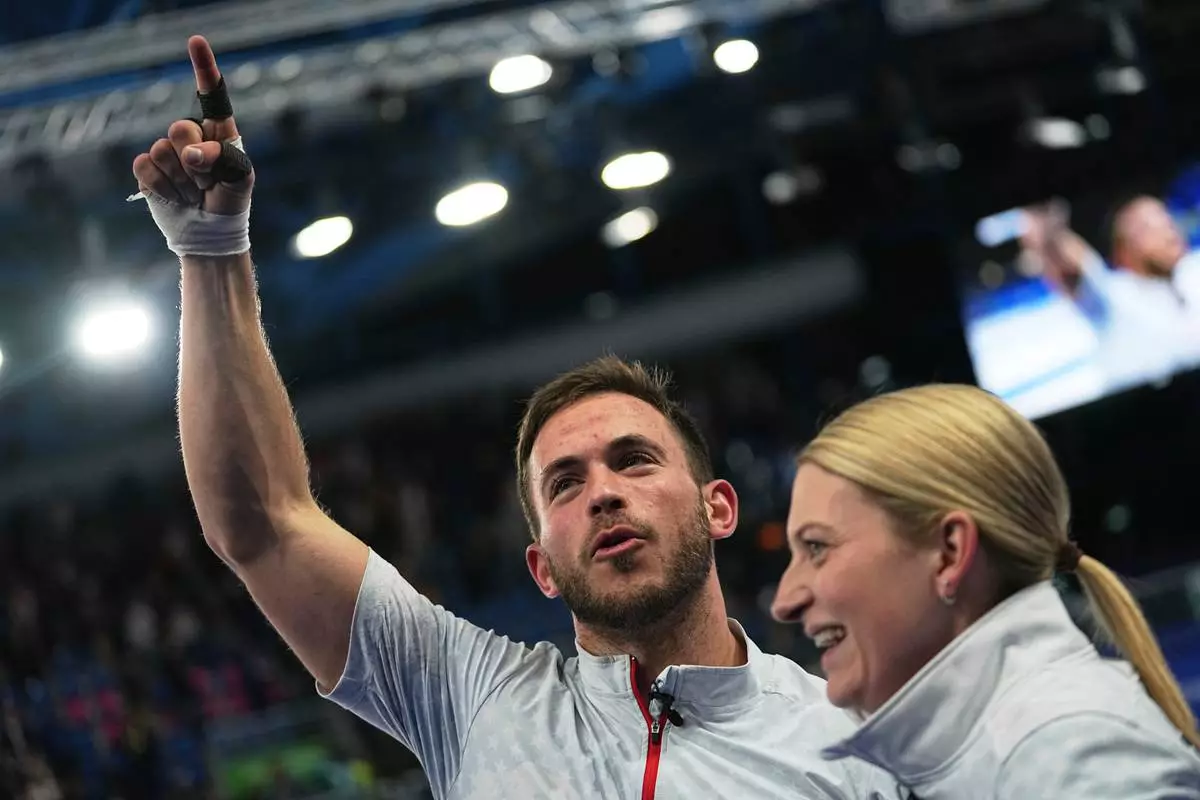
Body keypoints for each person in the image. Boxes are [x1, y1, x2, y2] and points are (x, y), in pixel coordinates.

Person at [131, 35, 905, 800]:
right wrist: (212, 251)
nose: (602, 492)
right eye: (564, 484)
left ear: (719, 506)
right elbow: (261, 524)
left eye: (634, 459)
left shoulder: (851, 751)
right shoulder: (468, 699)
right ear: (541, 566)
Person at [771, 383, 1200, 799]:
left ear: (950, 552)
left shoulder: (1072, 753)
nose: (785, 600)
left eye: (817, 547)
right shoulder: (1001, 749)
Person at [1023, 196, 1200, 391]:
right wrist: (1049, 229)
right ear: (1123, 252)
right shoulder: (1114, 294)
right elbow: (1066, 260)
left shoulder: (1192, 275)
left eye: (1167, 221)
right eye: (1148, 228)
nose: (1168, 233)